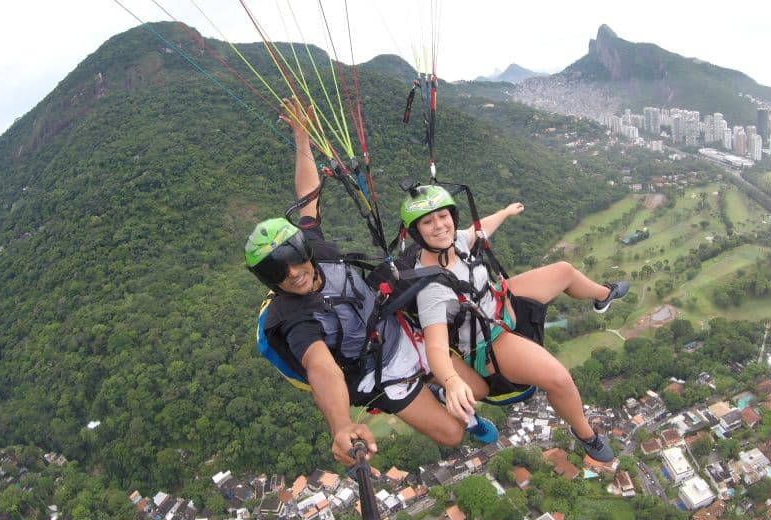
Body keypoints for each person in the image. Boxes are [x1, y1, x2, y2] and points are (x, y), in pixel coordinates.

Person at [244, 100, 497, 467]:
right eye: (274, 272)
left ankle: (436, 382)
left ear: (303, 249)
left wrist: (302, 137)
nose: (292, 274)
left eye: (293, 260)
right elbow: (322, 369)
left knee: (480, 391)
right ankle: (430, 390)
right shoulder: (295, 319)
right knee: (454, 434)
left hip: (396, 330)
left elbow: (308, 197)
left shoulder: (319, 251)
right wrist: (341, 424)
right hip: (377, 372)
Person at [399, 184, 629, 462]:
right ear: (416, 231)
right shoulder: (431, 290)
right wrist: (450, 381)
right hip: (488, 340)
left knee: (564, 271)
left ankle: (604, 295)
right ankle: (586, 435)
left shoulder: (455, 241)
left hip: (497, 302)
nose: (439, 226)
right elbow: (435, 346)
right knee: (559, 379)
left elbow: (478, 229)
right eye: (427, 221)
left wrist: (505, 212)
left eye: (443, 216)